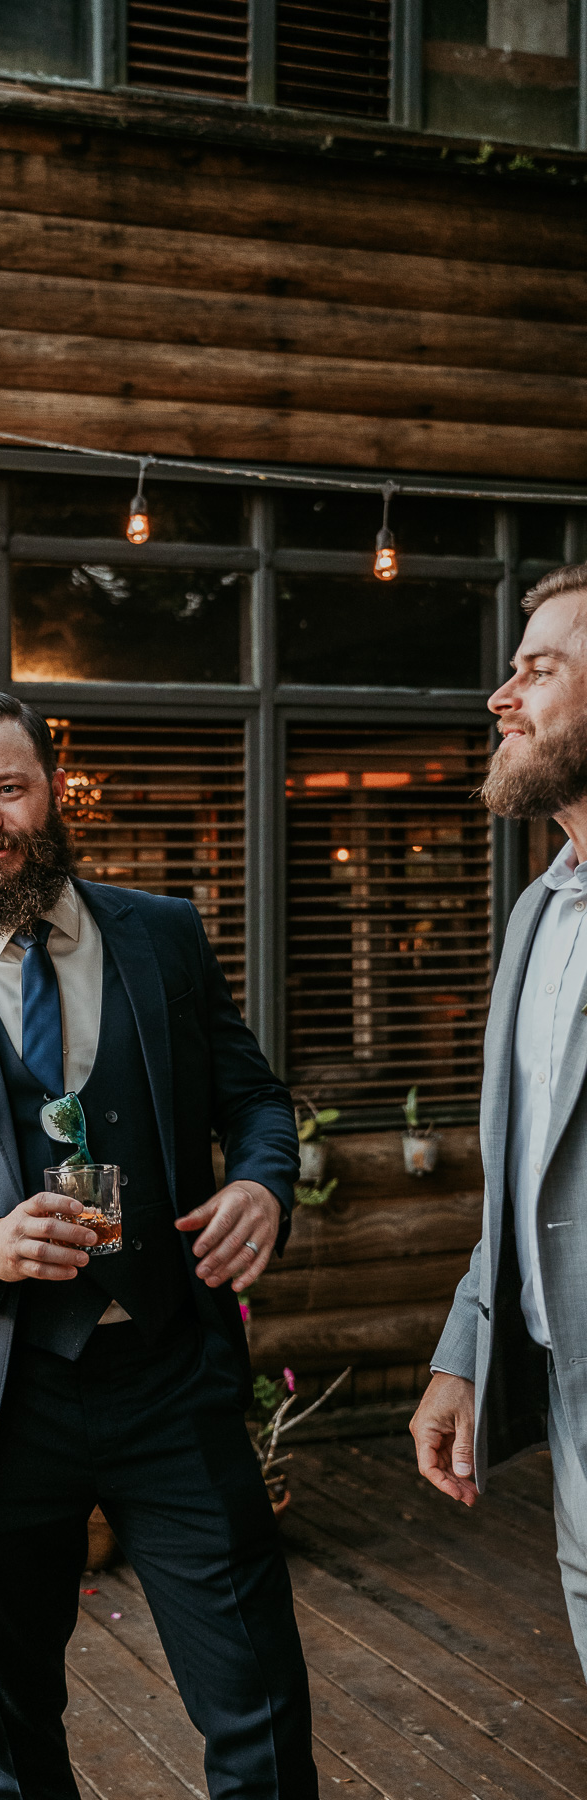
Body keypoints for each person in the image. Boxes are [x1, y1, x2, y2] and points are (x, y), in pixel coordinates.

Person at [0, 692, 318, 1800]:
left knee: (264, 1715)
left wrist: (260, 1182)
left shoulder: (166, 935)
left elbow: (258, 1102)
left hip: (168, 1380)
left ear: (54, 789)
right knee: (11, 1749)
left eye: (7, 789)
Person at [414, 561, 587, 1678]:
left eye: (539, 668)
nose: (501, 696)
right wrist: (465, 1351)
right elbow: (526, 1169)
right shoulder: (537, 910)